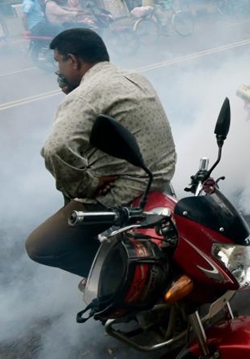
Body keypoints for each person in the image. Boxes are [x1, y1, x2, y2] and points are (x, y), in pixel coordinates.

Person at [25, 28, 177, 278]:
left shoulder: (85, 95)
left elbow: (55, 149)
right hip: (160, 178)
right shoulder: (135, 78)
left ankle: (123, 279)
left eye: (59, 62)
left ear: (73, 60)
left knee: (40, 246)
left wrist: (87, 186)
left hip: (123, 192)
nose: (58, 70)